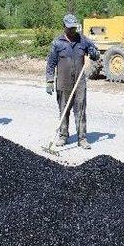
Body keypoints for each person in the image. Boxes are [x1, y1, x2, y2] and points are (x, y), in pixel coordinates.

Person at [46, 14, 100, 149]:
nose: (72, 31)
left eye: (74, 28)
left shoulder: (83, 41)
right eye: (69, 28)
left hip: (79, 82)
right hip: (63, 82)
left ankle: (82, 138)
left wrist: (94, 53)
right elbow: (51, 63)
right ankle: (63, 136)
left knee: (80, 109)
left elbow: (96, 55)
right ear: (64, 26)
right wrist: (49, 80)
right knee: (64, 109)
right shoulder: (57, 43)